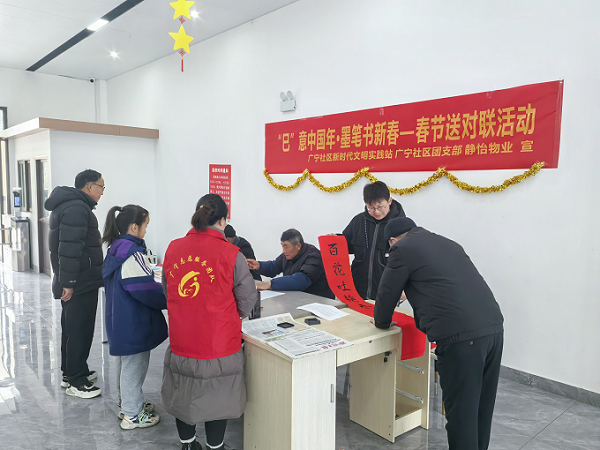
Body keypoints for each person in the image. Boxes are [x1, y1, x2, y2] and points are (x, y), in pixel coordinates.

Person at [374, 217, 504, 450]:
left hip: (461, 338)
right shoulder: (447, 242)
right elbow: (442, 282)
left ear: (392, 241)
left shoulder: (401, 249)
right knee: (481, 409)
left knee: (462, 415)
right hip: (493, 329)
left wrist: (382, 323)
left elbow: (386, 293)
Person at [161, 194, 259, 450]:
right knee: (218, 396)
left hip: (182, 339)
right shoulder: (232, 254)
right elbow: (247, 300)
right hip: (219, 342)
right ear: (223, 220)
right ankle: (216, 447)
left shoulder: (173, 248)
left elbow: (167, 290)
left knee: (184, 392)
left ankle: (188, 444)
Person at [102, 204, 167, 430]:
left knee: (126, 364)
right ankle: (132, 414)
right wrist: (170, 298)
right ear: (134, 227)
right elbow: (144, 289)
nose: (146, 230)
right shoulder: (132, 254)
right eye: (145, 225)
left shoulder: (116, 248)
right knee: (135, 366)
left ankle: (128, 403)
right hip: (133, 320)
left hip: (120, 317)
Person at [45, 169, 105, 399]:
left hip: (75, 279)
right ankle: (77, 381)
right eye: (101, 187)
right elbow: (70, 250)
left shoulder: (69, 205)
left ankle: (71, 372)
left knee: (72, 328)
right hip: (80, 281)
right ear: (90, 186)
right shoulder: (77, 208)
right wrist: (69, 283)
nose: (102, 192)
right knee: (80, 329)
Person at [341, 181, 406, 300]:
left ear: (389, 201)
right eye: (371, 208)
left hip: (386, 292)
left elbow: (411, 260)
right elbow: (346, 245)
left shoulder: (402, 225)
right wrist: (334, 240)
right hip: (357, 290)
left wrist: (406, 287)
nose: (376, 212)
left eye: (381, 207)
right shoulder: (359, 221)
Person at [247, 229, 334, 299]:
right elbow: (274, 266)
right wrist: (259, 266)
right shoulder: (288, 255)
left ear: (298, 246)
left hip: (317, 300)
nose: (284, 251)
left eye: (286, 246)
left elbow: (302, 280)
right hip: (297, 298)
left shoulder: (314, 256)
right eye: (282, 246)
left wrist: (271, 284)